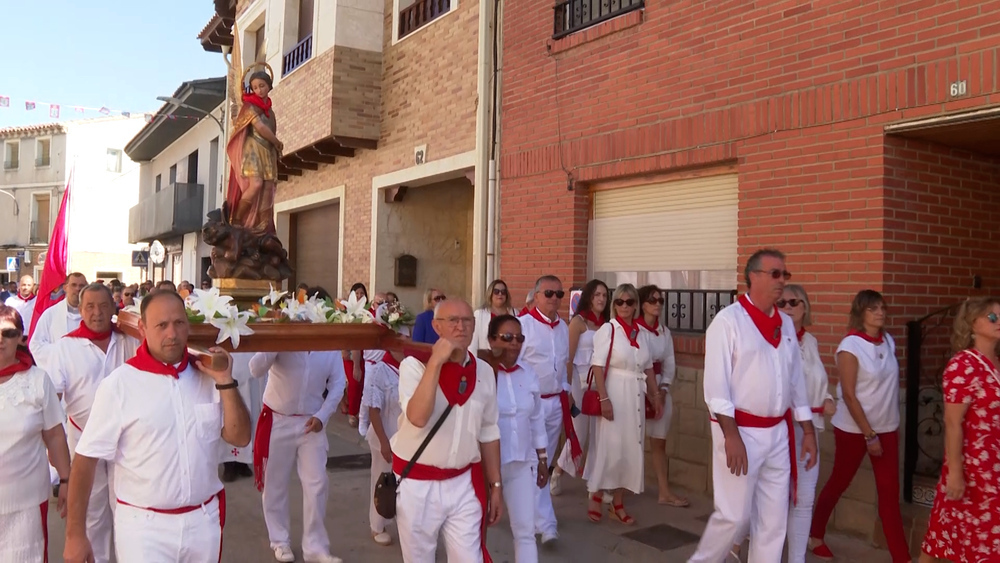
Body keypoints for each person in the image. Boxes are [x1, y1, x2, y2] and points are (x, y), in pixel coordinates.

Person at [63, 290, 252, 563]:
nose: (172, 333)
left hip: (203, 522)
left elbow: (241, 437)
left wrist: (225, 381)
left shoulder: (209, 377)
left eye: (178, 323)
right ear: (142, 328)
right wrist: (75, 535)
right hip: (144, 529)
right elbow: (85, 461)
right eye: (161, 325)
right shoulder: (120, 385)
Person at [687, 249, 817, 563]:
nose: (783, 281)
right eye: (776, 274)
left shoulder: (786, 324)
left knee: (773, 521)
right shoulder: (727, 321)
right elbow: (716, 388)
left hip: (777, 434)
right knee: (733, 516)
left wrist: (808, 430)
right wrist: (731, 437)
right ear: (753, 276)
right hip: (740, 430)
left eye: (785, 275)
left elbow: (796, 381)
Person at [390, 299, 502, 562]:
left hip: (463, 482)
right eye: (453, 321)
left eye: (467, 321)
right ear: (436, 326)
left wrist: (495, 485)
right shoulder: (414, 366)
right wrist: (436, 363)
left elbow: (489, 431)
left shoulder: (483, 371)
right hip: (418, 484)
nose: (461, 327)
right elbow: (417, 417)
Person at [733, 284, 834, 561]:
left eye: (795, 302)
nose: (789, 307)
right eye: (784, 303)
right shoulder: (769, 340)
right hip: (779, 431)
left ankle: (797, 558)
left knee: (804, 499)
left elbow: (814, 381)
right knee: (766, 499)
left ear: (805, 308)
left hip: (809, 430)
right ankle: (739, 540)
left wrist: (826, 398)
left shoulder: (810, 342)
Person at [809, 290, 909, 562]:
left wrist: (880, 433)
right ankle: (815, 534)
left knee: (889, 495)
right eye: (872, 308)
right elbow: (850, 396)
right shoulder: (850, 346)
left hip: (888, 428)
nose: (879, 313)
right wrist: (869, 435)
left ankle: (903, 558)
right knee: (839, 482)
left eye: (882, 308)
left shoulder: (888, 341)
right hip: (855, 430)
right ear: (860, 313)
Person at [47, 283, 139, 563]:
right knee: (93, 512)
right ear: (80, 309)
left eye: (103, 306)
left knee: (128, 509)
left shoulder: (129, 341)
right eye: (90, 307)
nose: (97, 313)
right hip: (84, 440)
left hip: (128, 442)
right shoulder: (65, 347)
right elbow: (53, 401)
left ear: (114, 308)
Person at [920, 297, 1000, 563]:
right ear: (972, 324)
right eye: (992, 317)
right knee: (971, 540)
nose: (998, 322)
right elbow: (953, 422)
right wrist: (955, 472)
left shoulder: (997, 363)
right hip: (974, 468)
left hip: (995, 467)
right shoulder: (963, 365)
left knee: (947, 534)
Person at [249, 350, 347, 563]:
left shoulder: (329, 346)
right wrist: (274, 344)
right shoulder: (285, 337)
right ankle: (279, 541)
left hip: (312, 421)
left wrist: (322, 415)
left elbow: (338, 383)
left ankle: (315, 547)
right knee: (274, 485)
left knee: (317, 484)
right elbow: (255, 369)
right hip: (278, 418)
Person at [583, 284, 663, 525]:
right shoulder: (609, 330)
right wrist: (604, 398)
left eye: (629, 302)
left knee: (629, 449)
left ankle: (618, 502)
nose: (625, 306)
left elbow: (647, 367)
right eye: (620, 302)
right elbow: (597, 365)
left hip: (635, 395)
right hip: (615, 391)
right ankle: (595, 493)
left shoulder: (640, 334)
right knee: (610, 447)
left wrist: (655, 394)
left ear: (636, 305)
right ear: (614, 305)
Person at [0, 304, 72, 562]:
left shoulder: (38, 380)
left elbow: (54, 434)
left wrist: (65, 480)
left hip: (26, 504)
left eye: (7, 333)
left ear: (20, 337)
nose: (0, 340)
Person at [487, 314, 550, 563]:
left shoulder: (528, 374)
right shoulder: (482, 374)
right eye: (507, 337)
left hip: (522, 464)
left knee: (525, 532)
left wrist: (542, 458)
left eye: (519, 338)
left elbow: (536, 419)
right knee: (475, 530)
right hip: (487, 466)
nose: (514, 343)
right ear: (492, 340)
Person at [518, 275, 575, 544]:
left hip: (555, 403)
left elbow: (562, 363)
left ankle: (530, 514)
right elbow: (513, 366)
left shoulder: (563, 327)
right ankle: (545, 522)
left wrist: (565, 387)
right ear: (537, 296)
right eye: (549, 293)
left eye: (559, 294)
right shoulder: (523, 325)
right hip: (532, 404)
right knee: (535, 462)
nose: (554, 299)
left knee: (544, 462)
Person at [552, 279, 609, 492]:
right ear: (588, 297)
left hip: (600, 382)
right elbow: (568, 357)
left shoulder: (607, 324)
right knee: (579, 432)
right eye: (597, 295)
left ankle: (594, 485)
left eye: (604, 295)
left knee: (599, 435)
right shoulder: (578, 322)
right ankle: (558, 470)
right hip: (578, 380)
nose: (601, 299)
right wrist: (567, 389)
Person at [635, 285, 688, 507]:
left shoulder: (664, 332)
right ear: (642, 304)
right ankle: (614, 489)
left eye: (660, 300)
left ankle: (664, 492)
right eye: (652, 299)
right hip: (637, 388)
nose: (657, 304)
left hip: (659, 390)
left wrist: (663, 389)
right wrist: (651, 393)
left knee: (659, 443)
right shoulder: (633, 330)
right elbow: (637, 363)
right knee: (630, 442)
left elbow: (669, 362)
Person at [227, 68, 283, 234]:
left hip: (267, 150)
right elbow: (261, 128)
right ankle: (237, 218)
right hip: (253, 148)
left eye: (262, 86)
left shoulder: (270, 111)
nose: (259, 90)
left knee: (267, 187)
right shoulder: (249, 107)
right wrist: (277, 142)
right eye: (255, 87)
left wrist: (274, 147)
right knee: (256, 183)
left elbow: (271, 128)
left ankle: (262, 225)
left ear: (269, 86)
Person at [361, 348, 405, 547]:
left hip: (407, 439)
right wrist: (384, 442)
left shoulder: (412, 367)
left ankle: (407, 527)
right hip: (385, 435)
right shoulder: (380, 370)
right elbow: (373, 410)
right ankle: (377, 525)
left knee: (407, 486)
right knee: (383, 481)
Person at [30, 272, 88, 372]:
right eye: (73, 285)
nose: (78, 289)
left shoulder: (94, 315)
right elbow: (35, 345)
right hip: (59, 372)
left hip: (86, 373)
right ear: (65, 287)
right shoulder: (50, 314)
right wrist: (61, 351)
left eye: (81, 286)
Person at [469, 279, 516, 355]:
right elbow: (473, 341)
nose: (500, 294)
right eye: (496, 291)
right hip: (486, 358)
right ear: (490, 294)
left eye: (503, 292)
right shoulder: (480, 314)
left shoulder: (514, 313)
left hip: (508, 358)